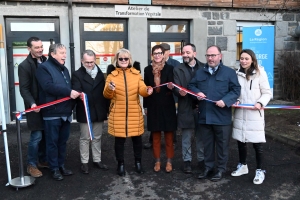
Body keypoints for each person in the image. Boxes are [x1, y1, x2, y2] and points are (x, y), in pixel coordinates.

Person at [188, 45, 241, 181]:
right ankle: (208, 167)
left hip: (221, 116)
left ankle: (220, 169)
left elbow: (235, 90)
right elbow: (191, 86)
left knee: (222, 146)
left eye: (213, 55)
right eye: (208, 56)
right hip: (205, 116)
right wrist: (197, 93)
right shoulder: (200, 72)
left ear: (220, 56)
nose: (210, 58)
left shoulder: (229, 73)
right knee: (208, 145)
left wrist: (226, 100)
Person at [103, 48, 153, 176]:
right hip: (117, 113)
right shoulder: (111, 75)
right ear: (117, 60)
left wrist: (146, 91)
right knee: (119, 142)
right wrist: (109, 89)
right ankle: (120, 164)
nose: (123, 61)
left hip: (134, 113)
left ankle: (138, 163)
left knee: (137, 140)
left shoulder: (136, 74)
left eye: (126, 58)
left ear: (129, 60)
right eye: (121, 59)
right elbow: (106, 95)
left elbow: (141, 89)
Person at [36, 43, 80, 181]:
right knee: (52, 142)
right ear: (52, 54)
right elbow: (48, 86)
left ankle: (61, 165)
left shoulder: (64, 69)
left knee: (62, 142)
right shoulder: (43, 68)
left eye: (65, 53)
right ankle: (53, 168)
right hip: (52, 113)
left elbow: (69, 86)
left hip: (65, 113)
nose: (65, 55)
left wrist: (74, 98)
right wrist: (69, 92)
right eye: (61, 53)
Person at [231, 49, 271, 184]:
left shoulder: (260, 73)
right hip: (240, 113)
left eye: (246, 58)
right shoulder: (236, 74)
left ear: (252, 60)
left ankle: (260, 170)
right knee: (241, 143)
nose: (243, 61)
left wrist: (260, 102)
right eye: (241, 58)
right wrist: (235, 100)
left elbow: (267, 93)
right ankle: (242, 166)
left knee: (257, 145)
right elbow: (234, 91)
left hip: (255, 114)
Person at [72, 50, 110, 174]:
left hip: (99, 110)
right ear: (82, 61)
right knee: (85, 138)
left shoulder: (100, 73)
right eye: (87, 62)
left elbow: (105, 92)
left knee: (97, 137)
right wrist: (80, 95)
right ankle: (84, 162)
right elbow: (76, 90)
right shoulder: (77, 74)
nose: (89, 64)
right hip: (85, 110)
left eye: (92, 62)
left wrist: (107, 109)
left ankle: (97, 160)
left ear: (95, 60)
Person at [143, 44, 177, 173]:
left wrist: (171, 86)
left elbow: (174, 85)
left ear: (164, 55)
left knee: (169, 136)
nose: (157, 55)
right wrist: (145, 106)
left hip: (167, 105)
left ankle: (169, 161)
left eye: (159, 53)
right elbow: (145, 88)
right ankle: (157, 161)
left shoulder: (170, 68)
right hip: (153, 105)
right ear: (152, 55)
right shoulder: (147, 69)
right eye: (155, 53)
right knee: (155, 136)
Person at [18, 37, 48, 178]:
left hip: (48, 105)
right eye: (36, 47)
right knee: (36, 136)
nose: (40, 49)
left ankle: (42, 160)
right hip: (34, 107)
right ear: (29, 49)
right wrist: (32, 103)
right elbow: (24, 89)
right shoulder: (24, 66)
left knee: (45, 135)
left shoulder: (46, 61)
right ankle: (31, 165)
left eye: (41, 46)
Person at [173, 43, 205, 173]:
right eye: (183, 52)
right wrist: (177, 91)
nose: (185, 55)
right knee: (186, 136)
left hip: (201, 106)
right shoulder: (178, 69)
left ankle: (201, 160)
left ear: (194, 54)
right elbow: (175, 86)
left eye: (187, 52)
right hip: (185, 106)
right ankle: (187, 161)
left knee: (201, 136)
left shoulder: (203, 67)